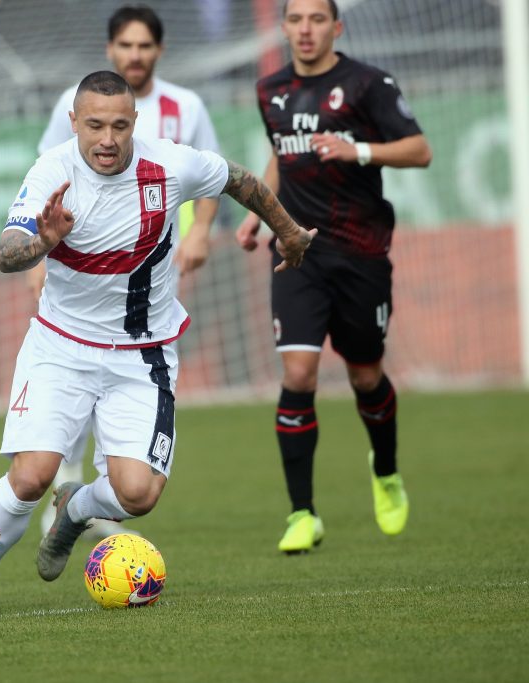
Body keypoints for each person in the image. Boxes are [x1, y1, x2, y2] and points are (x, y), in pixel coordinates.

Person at [0, 70, 315, 614]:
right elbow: (6, 252)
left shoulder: (170, 165)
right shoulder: (52, 171)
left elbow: (239, 180)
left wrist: (290, 231)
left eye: (118, 126)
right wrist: (44, 240)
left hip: (142, 355)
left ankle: (76, 509)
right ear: (73, 123)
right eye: (94, 126)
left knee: (138, 495)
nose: (107, 139)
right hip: (60, 347)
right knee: (32, 475)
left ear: (135, 121)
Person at [234, 0, 432, 554]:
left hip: (361, 253)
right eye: (296, 19)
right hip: (297, 252)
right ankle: (302, 513)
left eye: (317, 19)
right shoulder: (270, 89)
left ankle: (385, 470)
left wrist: (358, 150)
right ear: (284, 28)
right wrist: (259, 214)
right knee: (298, 374)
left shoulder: (369, 84)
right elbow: (282, 156)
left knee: (366, 376)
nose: (305, 29)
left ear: (336, 27)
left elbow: (420, 150)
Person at [33, 4, 223, 539]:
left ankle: (89, 499)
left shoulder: (186, 107)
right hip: (82, 272)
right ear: (110, 50)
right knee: (76, 375)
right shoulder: (74, 104)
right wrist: (37, 259)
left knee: (126, 384)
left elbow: (215, 175)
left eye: (144, 46)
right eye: (126, 46)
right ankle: (67, 487)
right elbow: (48, 181)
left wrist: (202, 231)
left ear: (159, 50)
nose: (135, 55)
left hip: (154, 275)